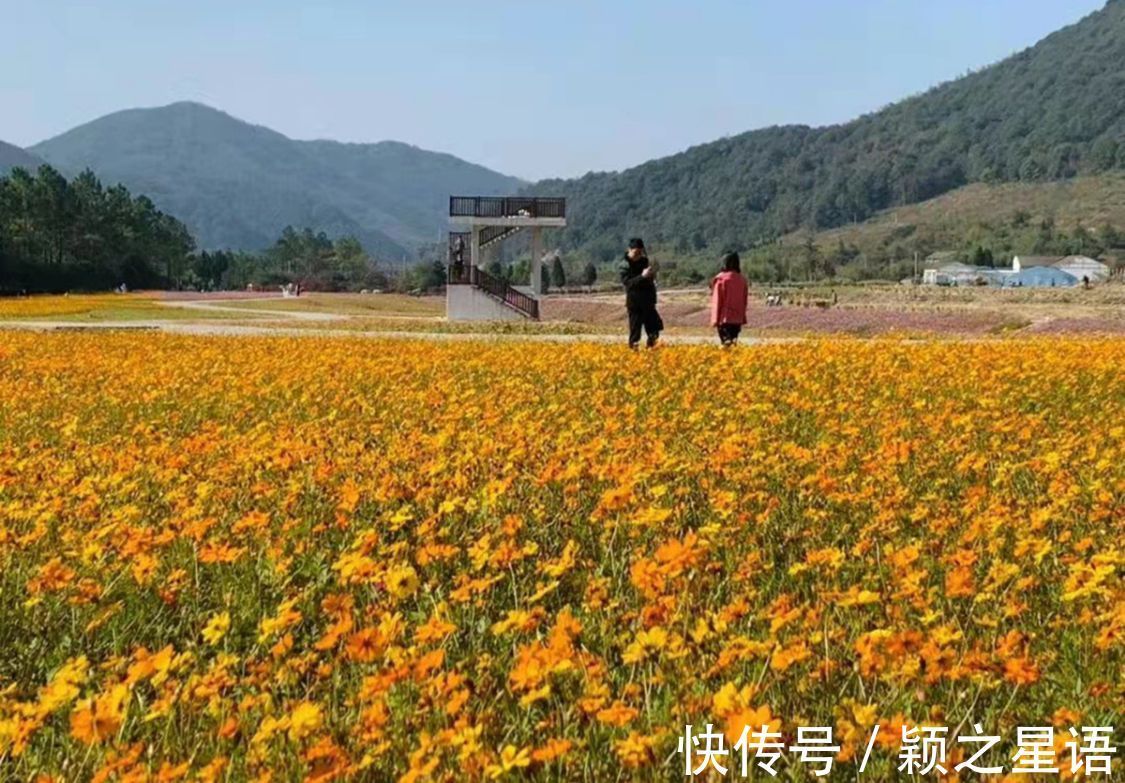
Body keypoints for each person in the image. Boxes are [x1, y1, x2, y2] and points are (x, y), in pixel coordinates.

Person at [619, 238, 662, 348]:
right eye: (636, 253)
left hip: (648, 302)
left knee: (654, 329)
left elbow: (649, 280)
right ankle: (634, 356)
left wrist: (651, 277)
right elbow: (628, 284)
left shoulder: (644, 261)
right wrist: (642, 276)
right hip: (635, 304)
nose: (638, 255)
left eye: (640, 252)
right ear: (629, 250)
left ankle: (651, 352)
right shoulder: (624, 265)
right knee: (635, 333)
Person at [710, 252, 749, 346]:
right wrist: (742, 318)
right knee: (733, 344)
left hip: (725, 319)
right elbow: (744, 301)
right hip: (737, 320)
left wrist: (715, 320)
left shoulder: (721, 280)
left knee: (726, 346)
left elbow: (717, 301)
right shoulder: (742, 280)